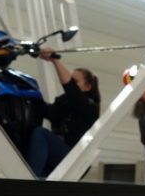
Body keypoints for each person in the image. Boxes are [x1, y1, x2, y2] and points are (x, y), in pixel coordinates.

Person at [27, 49, 100, 177]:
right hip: (61, 154)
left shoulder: (89, 106)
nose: (71, 82)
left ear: (87, 87)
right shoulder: (64, 102)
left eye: (76, 81)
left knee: (41, 133)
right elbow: (46, 111)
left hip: (74, 159)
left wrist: (55, 60)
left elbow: (71, 89)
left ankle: (29, 178)